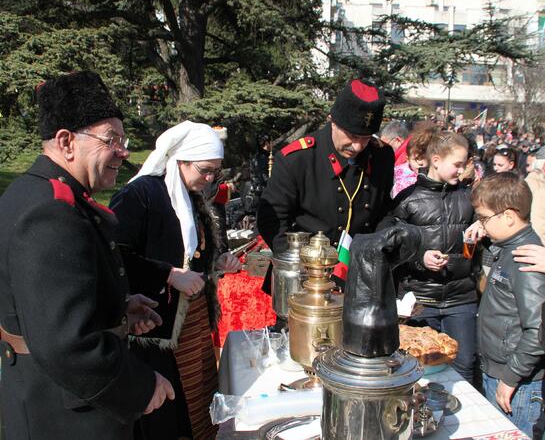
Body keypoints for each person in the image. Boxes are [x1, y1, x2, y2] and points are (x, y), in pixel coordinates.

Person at [0, 71, 175, 440]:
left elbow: (50, 302)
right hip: (66, 416)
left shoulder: (44, 196)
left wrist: (120, 308)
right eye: (111, 140)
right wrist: (141, 386)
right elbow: (65, 343)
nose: (124, 152)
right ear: (66, 142)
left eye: (123, 140)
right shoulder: (48, 211)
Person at [110, 121, 241, 440]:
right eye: (206, 170)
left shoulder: (191, 194)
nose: (211, 179)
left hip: (192, 326)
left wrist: (216, 262)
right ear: (180, 160)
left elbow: (192, 254)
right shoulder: (140, 194)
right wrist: (168, 275)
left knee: (199, 408)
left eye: (215, 172)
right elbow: (114, 256)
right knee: (167, 417)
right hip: (154, 329)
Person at [258, 79, 394, 285]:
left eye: (365, 138)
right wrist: (304, 266)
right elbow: (272, 220)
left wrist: (376, 248)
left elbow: (385, 210)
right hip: (302, 275)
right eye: (352, 135)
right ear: (333, 121)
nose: (357, 146)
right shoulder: (297, 158)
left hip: (359, 275)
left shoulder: (381, 156)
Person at [378, 131, 478, 383]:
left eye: (464, 164)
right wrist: (419, 258)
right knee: (419, 366)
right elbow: (391, 248)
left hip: (461, 298)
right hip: (421, 300)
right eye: (457, 164)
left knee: (464, 365)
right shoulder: (408, 199)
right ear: (436, 160)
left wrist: (483, 229)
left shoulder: (469, 198)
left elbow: (484, 240)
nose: (462, 170)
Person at [470, 172, 545, 438]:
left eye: (484, 218)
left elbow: (537, 331)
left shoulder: (527, 259)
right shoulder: (510, 248)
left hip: (516, 383)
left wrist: (510, 377)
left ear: (509, 216)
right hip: (502, 372)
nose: (482, 224)